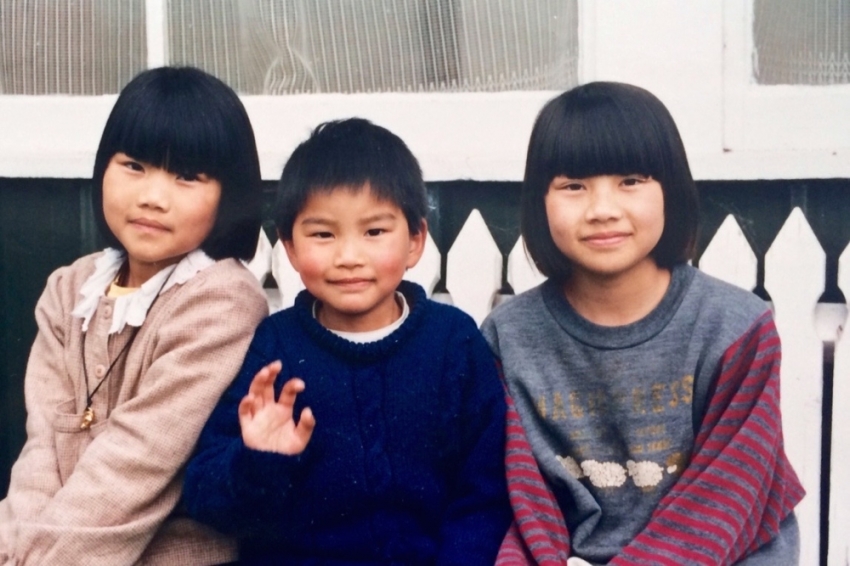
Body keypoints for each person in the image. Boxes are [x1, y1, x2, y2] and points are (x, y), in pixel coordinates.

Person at [481, 82, 805, 566]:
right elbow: (524, 499)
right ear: (538, 201)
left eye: (631, 180)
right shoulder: (508, 336)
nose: (603, 209)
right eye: (574, 186)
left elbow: (728, 494)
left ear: (669, 189)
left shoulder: (736, 329)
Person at [183, 118, 512, 565]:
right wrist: (259, 459)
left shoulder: (453, 342)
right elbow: (206, 497)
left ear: (416, 240)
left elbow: (484, 494)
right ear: (290, 247)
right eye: (323, 234)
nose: (349, 257)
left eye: (375, 232)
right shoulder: (273, 350)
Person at [0, 67, 269, 566]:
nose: (153, 196)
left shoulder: (221, 300)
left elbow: (139, 459)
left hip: (174, 554)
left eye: (187, 176)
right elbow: (43, 448)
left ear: (227, 196)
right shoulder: (69, 289)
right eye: (135, 165)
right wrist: (16, 549)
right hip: (48, 545)